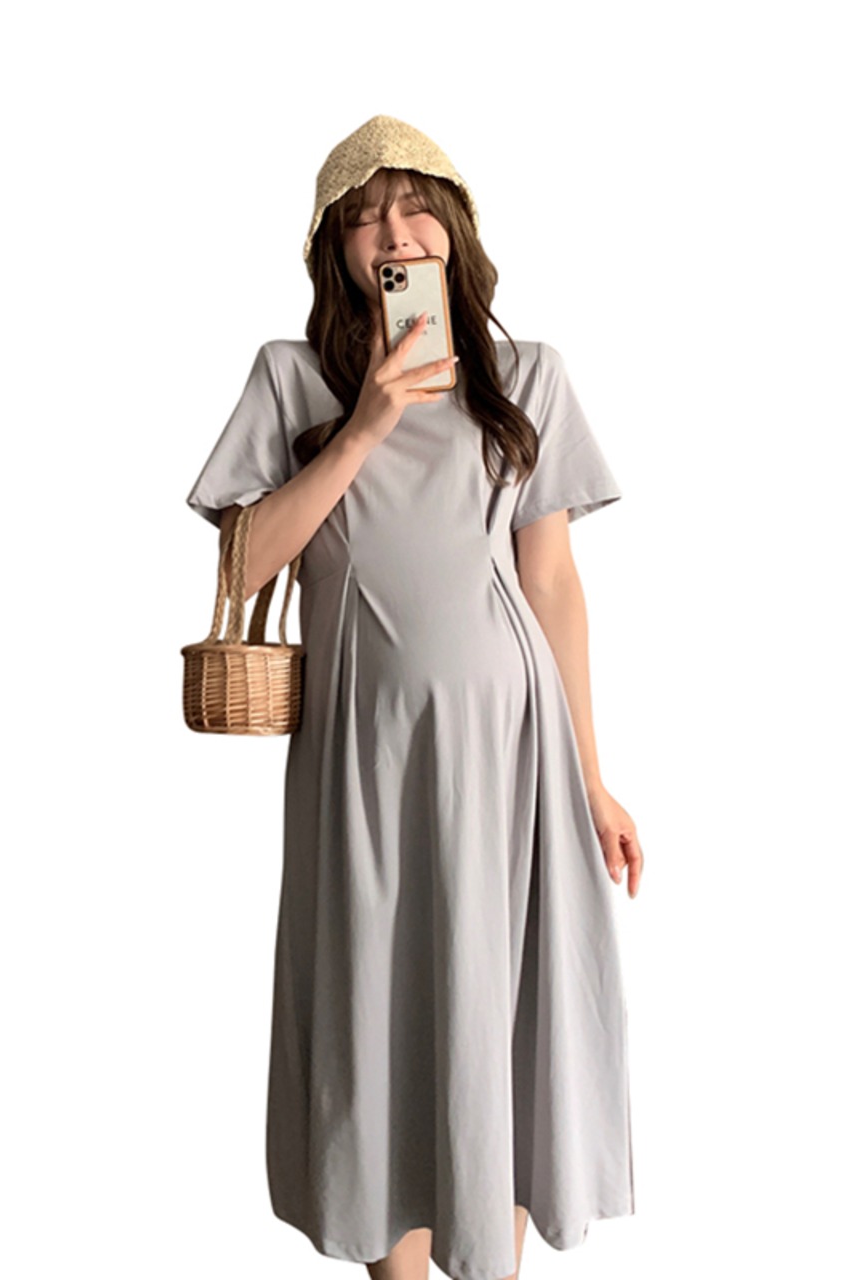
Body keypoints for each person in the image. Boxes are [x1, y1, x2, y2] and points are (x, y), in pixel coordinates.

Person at [185, 114, 644, 1280]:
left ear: (453, 228)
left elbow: (552, 585)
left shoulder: (527, 375)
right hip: (364, 748)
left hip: (510, 745)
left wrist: (590, 776)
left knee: (499, 1004)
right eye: (363, 217)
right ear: (334, 249)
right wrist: (367, 421)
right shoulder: (291, 378)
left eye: (413, 207)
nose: (392, 233)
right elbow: (244, 565)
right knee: (376, 1001)